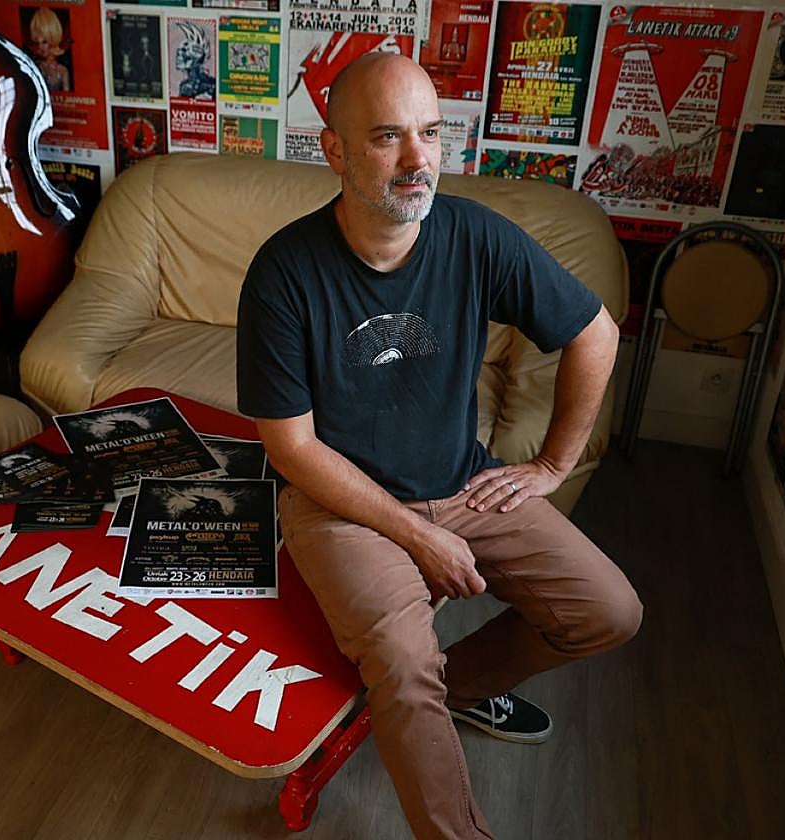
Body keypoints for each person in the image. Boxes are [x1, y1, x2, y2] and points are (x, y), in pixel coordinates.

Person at [235, 53, 642, 839]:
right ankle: (423, 731)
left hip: (462, 482)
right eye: (388, 136)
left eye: (430, 132)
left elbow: (596, 332)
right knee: (403, 662)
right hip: (340, 505)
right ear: (335, 150)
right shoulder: (284, 272)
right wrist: (418, 536)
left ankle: (450, 692)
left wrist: (551, 466)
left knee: (608, 611)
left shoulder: (475, 235)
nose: (418, 159)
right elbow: (292, 448)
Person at [26, 6, 71, 92]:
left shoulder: (63, 70)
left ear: (52, 39)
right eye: (37, 42)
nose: (40, 47)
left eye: (44, 42)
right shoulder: (36, 67)